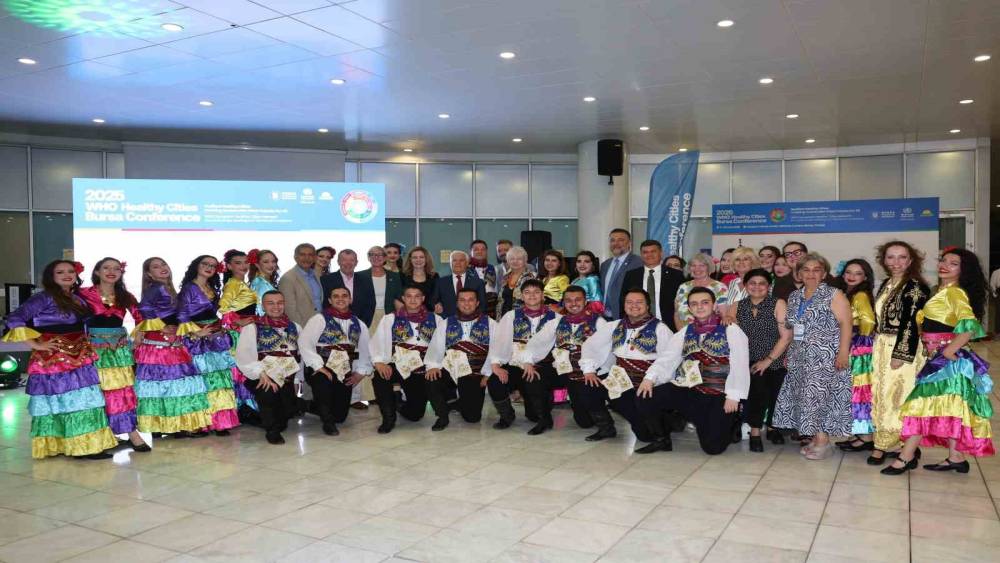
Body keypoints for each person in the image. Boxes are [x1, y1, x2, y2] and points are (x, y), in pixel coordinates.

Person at [883, 248, 994, 475]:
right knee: (950, 407)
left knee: (920, 406)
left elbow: (969, 326)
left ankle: (906, 457)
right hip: (939, 358)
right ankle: (956, 458)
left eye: (953, 263)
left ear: (963, 270)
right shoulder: (941, 290)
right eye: (943, 260)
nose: (945, 265)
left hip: (946, 363)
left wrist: (949, 351)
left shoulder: (955, 293)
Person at [2, 260, 117, 459]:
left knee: (84, 400)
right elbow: (14, 318)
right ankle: (77, 447)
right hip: (55, 358)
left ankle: (81, 445)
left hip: (80, 354)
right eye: (60, 272)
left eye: (70, 271)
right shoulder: (43, 298)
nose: (67, 275)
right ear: (51, 276)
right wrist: (36, 344)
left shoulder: (75, 297)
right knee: (66, 401)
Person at [636, 287, 752, 455]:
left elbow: (740, 364)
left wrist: (733, 396)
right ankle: (661, 438)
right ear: (690, 308)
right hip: (691, 390)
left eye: (705, 303)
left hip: (718, 394)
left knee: (713, 448)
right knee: (645, 395)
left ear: (714, 305)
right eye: (694, 304)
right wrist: (650, 378)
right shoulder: (685, 331)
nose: (700, 307)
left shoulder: (731, 329)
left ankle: (733, 421)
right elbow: (668, 358)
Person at [772, 253, 854, 460]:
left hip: (825, 356)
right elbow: (793, 327)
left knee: (818, 398)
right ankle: (817, 438)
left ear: (824, 274)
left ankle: (824, 442)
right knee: (804, 398)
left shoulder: (833, 294)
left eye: (816, 270)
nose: (811, 274)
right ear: (799, 274)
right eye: (806, 270)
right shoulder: (795, 296)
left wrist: (843, 352)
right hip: (800, 356)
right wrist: (790, 354)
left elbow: (846, 323)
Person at [579, 288, 671, 444]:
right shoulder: (614, 326)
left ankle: (669, 420)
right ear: (624, 305)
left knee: (645, 436)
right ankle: (606, 428)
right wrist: (589, 370)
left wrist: (652, 379)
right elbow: (590, 345)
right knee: (590, 386)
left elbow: (668, 359)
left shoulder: (660, 329)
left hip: (647, 383)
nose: (634, 305)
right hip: (620, 380)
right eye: (629, 302)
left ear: (648, 305)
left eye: (639, 302)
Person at [133, 257, 212, 438]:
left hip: (169, 343)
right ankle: (171, 425)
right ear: (148, 274)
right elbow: (144, 307)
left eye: (163, 264)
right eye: (156, 267)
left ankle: (164, 425)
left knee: (165, 385)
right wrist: (161, 327)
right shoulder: (157, 288)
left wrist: (192, 332)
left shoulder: (168, 289)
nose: (162, 268)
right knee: (169, 384)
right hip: (159, 345)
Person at [868, 241, 930, 465]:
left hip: (902, 347)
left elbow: (911, 322)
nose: (896, 262)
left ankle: (900, 445)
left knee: (898, 395)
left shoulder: (915, 286)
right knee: (881, 393)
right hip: (882, 345)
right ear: (883, 260)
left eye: (902, 257)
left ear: (911, 260)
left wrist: (901, 354)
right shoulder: (888, 283)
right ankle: (886, 442)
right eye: (891, 257)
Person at [79, 257, 149, 451]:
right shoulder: (83, 293)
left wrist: (138, 336)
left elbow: (141, 318)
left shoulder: (125, 296)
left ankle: (131, 432)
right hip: (92, 350)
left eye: (116, 268)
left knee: (120, 391)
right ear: (97, 272)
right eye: (106, 268)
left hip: (118, 351)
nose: (111, 271)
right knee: (96, 391)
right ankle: (100, 434)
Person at [518, 285, 608, 433]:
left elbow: (605, 350)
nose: (573, 304)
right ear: (564, 303)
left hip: (587, 373)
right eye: (569, 300)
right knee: (534, 376)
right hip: (563, 370)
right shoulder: (557, 322)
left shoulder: (598, 322)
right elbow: (538, 341)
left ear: (585, 301)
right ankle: (544, 419)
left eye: (578, 300)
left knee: (584, 422)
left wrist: (590, 369)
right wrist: (528, 360)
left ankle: (605, 425)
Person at [177, 255, 240, 435]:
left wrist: (221, 327)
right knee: (203, 382)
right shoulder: (189, 289)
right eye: (205, 264)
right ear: (196, 266)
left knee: (219, 381)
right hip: (198, 342)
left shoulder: (212, 287)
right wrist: (196, 333)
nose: (209, 267)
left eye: (213, 265)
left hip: (216, 339)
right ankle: (204, 423)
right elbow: (181, 315)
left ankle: (220, 422)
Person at [299, 287, 374, 436]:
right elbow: (304, 343)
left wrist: (361, 372)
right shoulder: (319, 319)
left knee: (340, 416)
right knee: (323, 386)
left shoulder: (359, 324)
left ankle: (304, 405)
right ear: (330, 300)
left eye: (344, 296)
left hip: (343, 369)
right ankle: (327, 423)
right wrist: (318, 366)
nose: (340, 299)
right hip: (320, 367)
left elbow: (366, 349)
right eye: (336, 296)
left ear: (350, 299)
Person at [487, 279, 558, 433]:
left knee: (533, 413)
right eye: (527, 292)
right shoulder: (511, 316)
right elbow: (500, 341)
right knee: (495, 381)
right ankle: (507, 416)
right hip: (516, 364)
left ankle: (544, 418)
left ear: (543, 295)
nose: (532, 295)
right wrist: (496, 365)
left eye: (536, 292)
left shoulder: (555, 317)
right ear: (521, 296)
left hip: (542, 365)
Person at [369, 286, 441, 433]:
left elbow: (441, 346)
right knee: (380, 376)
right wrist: (379, 362)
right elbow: (377, 341)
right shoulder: (390, 318)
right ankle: (388, 418)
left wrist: (434, 365)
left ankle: (398, 403)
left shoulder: (436, 319)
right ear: (403, 299)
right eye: (409, 296)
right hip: (397, 364)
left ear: (423, 299)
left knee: (415, 415)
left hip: (420, 368)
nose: (413, 299)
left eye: (417, 296)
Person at [424, 288, 497, 431]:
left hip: (474, 372)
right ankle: (442, 416)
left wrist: (488, 373)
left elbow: (496, 350)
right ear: (457, 303)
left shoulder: (491, 323)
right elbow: (436, 346)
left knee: (472, 418)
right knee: (431, 378)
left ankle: (457, 403)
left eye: (471, 300)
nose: (466, 304)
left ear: (477, 303)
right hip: (451, 369)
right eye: (462, 300)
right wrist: (433, 365)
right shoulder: (446, 323)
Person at [734, 269, 791, 451]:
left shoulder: (778, 303)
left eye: (762, 283)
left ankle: (773, 428)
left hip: (775, 357)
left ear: (769, 286)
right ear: (745, 285)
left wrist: (768, 360)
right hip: (747, 359)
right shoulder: (737, 306)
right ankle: (755, 431)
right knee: (757, 386)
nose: (757, 287)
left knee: (776, 392)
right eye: (752, 283)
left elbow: (786, 336)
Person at [235, 291, 302, 445]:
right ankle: (272, 431)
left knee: (286, 416)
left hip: (286, 378)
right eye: (270, 303)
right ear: (263, 306)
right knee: (268, 392)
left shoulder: (295, 327)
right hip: (261, 377)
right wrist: (261, 374)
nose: (276, 307)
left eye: (280, 302)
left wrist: (297, 380)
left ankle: (248, 414)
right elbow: (244, 356)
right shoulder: (252, 328)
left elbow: (299, 357)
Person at [833, 259, 878, 453]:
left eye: (858, 273)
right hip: (856, 347)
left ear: (865, 277)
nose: (852, 276)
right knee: (856, 392)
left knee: (860, 392)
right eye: (848, 272)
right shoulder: (849, 293)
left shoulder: (859, 295)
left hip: (859, 350)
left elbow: (869, 321)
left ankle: (866, 437)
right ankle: (860, 434)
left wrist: (854, 335)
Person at [218, 249, 260, 415]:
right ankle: (242, 409)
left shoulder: (241, 283)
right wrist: (237, 321)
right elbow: (222, 308)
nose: (243, 266)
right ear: (229, 266)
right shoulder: (233, 284)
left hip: (246, 330)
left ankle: (245, 408)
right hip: (238, 333)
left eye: (245, 262)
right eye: (238, 263)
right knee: (241, 367)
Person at [620, 239, 685, 331]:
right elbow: (623, 300)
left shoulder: (676, 275)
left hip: (669, 326)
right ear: (641, 255)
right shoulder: (631, 275)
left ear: (661, 253)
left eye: (653, 251)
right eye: (645, 252)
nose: (649, 255)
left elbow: (682, 303)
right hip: (638, 326)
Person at [321, 249, 377, 326]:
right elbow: (325, 304)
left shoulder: (366, 279)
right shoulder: (326, 280)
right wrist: (332, 324)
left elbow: (371, 304)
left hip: (360, 325)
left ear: (356, 262)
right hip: (333, 325)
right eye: (344, 260)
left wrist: (362, 325)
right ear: (338, 262)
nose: (348, 263)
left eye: (352, 260)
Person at [674, 253, 728, 329]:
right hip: (685, 332)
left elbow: (724, 316)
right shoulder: (683, 287)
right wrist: (681, 333)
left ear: (709, 268)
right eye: (693, 265)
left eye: (702, 265)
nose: (697, 269)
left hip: (712, 333)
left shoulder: (719, 287)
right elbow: (677, 314)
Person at [599, 228, 642, 320]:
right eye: (612, 240)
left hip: (626, 316)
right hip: (604, 316)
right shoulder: (605, 265)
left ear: (629, 243)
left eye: (620, 240)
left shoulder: (639, 262)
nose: (616, 243)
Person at [359, 245, 403, 333]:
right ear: (368, 257)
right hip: (367, 318)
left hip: (389, 316)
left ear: (385, 257)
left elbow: (398, 298)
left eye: (380, 255)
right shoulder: (359, 276)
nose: (376, 257)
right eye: (372, 254)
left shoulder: (395, 277)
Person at [278, 243, 322, 327]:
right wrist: (302, 329)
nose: (306, 258)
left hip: (320, 325)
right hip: (303, 327)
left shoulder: (316, 275)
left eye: (310, 255)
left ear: (314, 258)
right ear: (295, 257)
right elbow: (289, 309)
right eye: (302, 254)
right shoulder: (287, 278)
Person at [433, 250, 487, 318]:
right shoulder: (440, 282)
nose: (458, 263)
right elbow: (433, 302)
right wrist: (437, 306)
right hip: (447, 320)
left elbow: (483, 305)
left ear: (467, 263)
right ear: (450, 263)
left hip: (472, 320)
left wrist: (474, 319)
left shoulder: (478, 283)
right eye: (454, 260)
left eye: (461, 260)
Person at [496, 245, 537, 317]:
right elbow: (500, 301)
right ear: (508, 261)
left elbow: (534, 301)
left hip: (523, 318)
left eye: (519, 259)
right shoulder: (505, 277)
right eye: (512, 259)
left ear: (525, 261)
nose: (515, 261)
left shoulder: (532, 277)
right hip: (504, 317)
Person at [401, 246, 439, 311]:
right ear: (410, 260)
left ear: (426, 259)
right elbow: (399, 297)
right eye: (415, 257)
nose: (418, 260)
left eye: (421, 257)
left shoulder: (434, 276)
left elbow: (438, 297)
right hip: (408, 313)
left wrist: (438, 305)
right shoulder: (402, 276)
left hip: (429, 313)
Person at [722, 247, 759, 313]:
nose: (741, 262)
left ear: (753, 263)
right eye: (737, 259)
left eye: (745, 259)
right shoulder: (731, 283)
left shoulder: (761, 283)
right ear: (733, 263)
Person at [469, 239, 499, 317]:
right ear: (470, 252)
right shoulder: (465, 270)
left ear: (486, 252)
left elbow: (497, 289)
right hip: (471, 308)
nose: (480, 252)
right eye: (476, 249)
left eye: (483, 249)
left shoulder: (494, 269)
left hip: (491, 310)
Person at [248, 249, 280, 314]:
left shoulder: (264, 281)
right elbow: (260, 311)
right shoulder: (260, 284)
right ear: (257, 264)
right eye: (266, 262)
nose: (271, 265)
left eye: (273, 261)